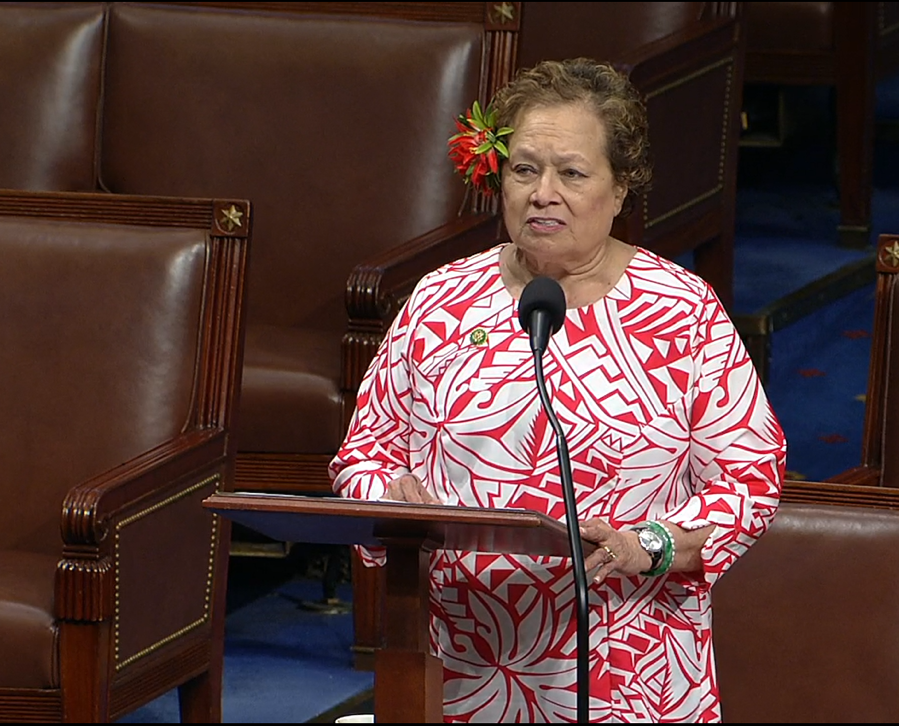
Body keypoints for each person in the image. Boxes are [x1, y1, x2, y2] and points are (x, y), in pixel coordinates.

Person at [329, 57, 786, 723]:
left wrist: (649, 544)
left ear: (621, 187)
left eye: (571, 173)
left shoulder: (682, 313)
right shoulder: (442, 301)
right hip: (459, 663)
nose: (544, 192)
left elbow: (751, 480)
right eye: (524, 169)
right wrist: (391, 504)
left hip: (629, 673)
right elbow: (364, 455)